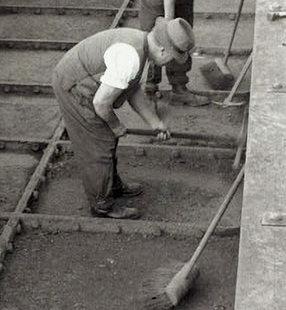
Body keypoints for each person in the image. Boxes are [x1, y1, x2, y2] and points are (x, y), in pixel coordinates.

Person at [52, 19, 195, 219]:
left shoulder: (143, 44)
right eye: (173, 58)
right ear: (163, 51)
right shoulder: (131, 57)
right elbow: (101, 103)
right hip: (74, 85)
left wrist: (154, 123)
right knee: (100, 143)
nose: (170, 62)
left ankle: (112, 186)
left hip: (85, 81)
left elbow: (132, 89)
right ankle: (102, 204)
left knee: (107, 138)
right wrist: (116, 126)